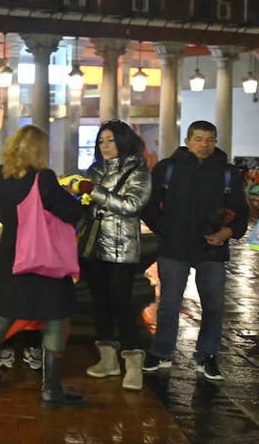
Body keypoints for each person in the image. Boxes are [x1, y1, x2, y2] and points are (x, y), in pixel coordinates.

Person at [0, 125, 86, 407]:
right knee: (56, 317)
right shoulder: (44, 178)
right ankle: (51, 390)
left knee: (4, 315)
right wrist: (79, 198)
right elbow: (70, 211)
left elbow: (5, 214)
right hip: (42, 256)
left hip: (12, 255)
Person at [142, 121, 248, 381]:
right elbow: (149, 206)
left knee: (213, 305)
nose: (204, 144)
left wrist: (227, 232)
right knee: (168, 304)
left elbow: (241, 213)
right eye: (199, 138)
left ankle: (207, 355)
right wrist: (165, 229)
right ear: (187, 140)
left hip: (212, 249)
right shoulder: (167, 169)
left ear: (215, 141)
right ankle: (162, 350)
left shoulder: (227, 173)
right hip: (175, 247)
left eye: (210, 139)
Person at [74, 121, 153, 391]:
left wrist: (92, 192)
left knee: (121, 302)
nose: (105, 147)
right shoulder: (95, 169)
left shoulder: (138, 172)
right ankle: (107, 359)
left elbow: (132, 205)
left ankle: (133, 362)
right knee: (100, 302)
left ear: (122, 141)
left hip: (122, 247)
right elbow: (87, 205)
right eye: (101, 142)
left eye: (110, 141)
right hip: (93, 245)